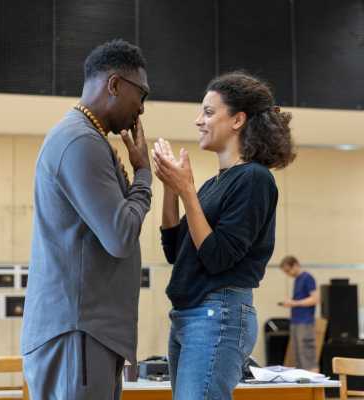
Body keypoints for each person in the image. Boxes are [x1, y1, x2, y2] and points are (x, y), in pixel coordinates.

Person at [21, 39, 152, 400]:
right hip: (77, 333)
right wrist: (143, 175)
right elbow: (121, 234)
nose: (141, 109)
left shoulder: (86, 137)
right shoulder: (80, 140)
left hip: (85, 332)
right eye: (140, 94)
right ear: (114, 84)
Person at [152, 71, 295, 400]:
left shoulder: (255, 179)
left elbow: (218, 257)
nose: (198, 120)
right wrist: (172, 190)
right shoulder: (211, 186)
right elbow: (176, 250)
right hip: (189, 314)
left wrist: (187, 191)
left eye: (208, 111)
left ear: (238, 120)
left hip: (219, 312)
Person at [279, 255, 319, 371]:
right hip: (296, 321)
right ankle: (303, 386)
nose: (288, 274)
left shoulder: (307, 277)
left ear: (295, 265)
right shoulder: (297, 279)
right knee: (298, 356)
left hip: (305, 322)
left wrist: (294, 303)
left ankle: (313, 386)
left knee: (307, 356)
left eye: (288, 270)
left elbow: (315, 299)